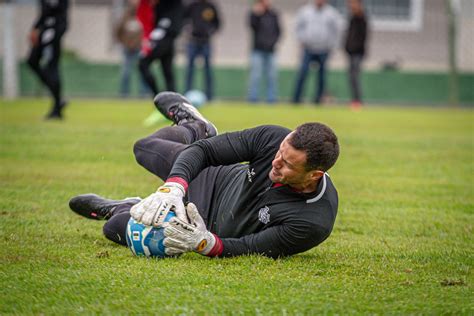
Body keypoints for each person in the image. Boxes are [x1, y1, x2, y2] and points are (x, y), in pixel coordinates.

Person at [69, 91, 340, 258]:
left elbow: (249, 247)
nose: (276, 162)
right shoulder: (272, 137)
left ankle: (124, 206)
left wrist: (204, 243)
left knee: (114, 228)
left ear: (314, 175)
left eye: (288, 164)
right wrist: (173, 187)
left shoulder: (313, 222)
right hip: (214, 177)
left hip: (206, 226)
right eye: (280, 152)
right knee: (144, 148)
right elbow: (204, 153)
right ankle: (195, 126)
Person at [292, 0, 341, 105]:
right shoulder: (305, 11)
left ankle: (318, 100)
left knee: (322, 77)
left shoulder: (332, 13)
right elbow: (297, 27)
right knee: (303, 74)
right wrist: (302, 40)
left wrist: (332, 46)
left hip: (324, 49)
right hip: (308, 48)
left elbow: (336, 31)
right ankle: (296, 99)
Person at [27, 0, 69, 120]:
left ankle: (57, 108)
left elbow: (61, 17)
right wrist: (35, 28)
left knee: (52, 67)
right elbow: (43, 14)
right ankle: (58, 98)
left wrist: (55, 33)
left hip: (53, 32)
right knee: (32, 61)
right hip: (43, 31)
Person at [138, 0, 184, 96]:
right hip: (165, 39)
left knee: (144, 63)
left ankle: (159, 95)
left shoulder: (172, 4)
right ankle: (170, 98)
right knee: (167, 71)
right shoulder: (157, 7)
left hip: (165, 39)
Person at [183, 0, 221, 101]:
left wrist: (210, 31)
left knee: (207, 70)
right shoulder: (191, 6)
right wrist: (188, 29)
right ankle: (186, 95)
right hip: (192, 41)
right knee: (190, 70)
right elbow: (184, 19)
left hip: (206, 42)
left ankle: (209, 96)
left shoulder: (211, 6)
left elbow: (217, 23)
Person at [247, 0, 281, 103]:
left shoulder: (273, 14)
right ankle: (253, 98)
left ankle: (271, 99)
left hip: (271, 51)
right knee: (255, 76)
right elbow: (252, 26)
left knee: (272, 76)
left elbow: (279, 31)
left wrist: (273, 43)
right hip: (257, 50)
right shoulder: (255, 14)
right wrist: (256, 14)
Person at [116, 0, 149, 97]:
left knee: (143, 72)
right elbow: (118, 31)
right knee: (126, 72)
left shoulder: (144, 14)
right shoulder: (126, 16)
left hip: (140, 48)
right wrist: (125, 43)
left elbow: (147, 29)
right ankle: (124, 94)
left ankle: (143, 94)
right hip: (127, 49)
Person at [344, 0, 368, 110]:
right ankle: (355, 99)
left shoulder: (361, 18)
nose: (351, 5)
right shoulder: (352, 17)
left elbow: (362, 37)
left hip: (357, 53)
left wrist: (354, 47)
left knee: (354, 77)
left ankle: (357, 100)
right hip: (351, 52)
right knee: (351, 77)